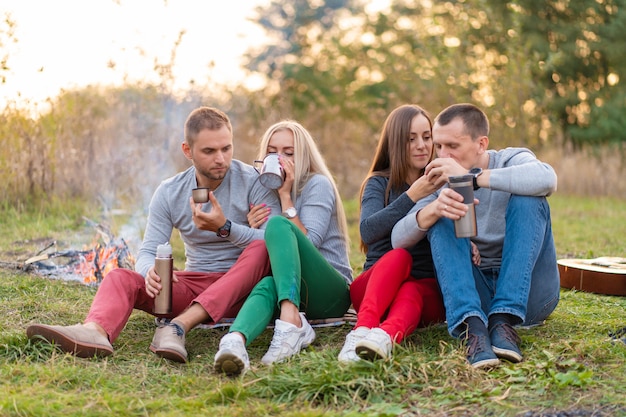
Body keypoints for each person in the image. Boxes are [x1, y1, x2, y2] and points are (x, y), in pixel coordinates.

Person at [26, 106, 282, 363]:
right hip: (194, 285)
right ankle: (95, 332)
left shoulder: (255, 181)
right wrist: (150, 271)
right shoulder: (170, 191)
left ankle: (178, 326)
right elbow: (148, 250)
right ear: (187, 151)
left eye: (226, 148)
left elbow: (277, 243)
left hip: (244, 290)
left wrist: (225, 227)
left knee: (260, 249)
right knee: (120, 277)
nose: (221, 159)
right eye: (209, 151)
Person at [391, 103, 560, 368]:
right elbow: (397, 240)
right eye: (439, 146)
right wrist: (434, 208)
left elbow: (547, 180)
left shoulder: (511, 159)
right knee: (440, 213)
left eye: (453, 147)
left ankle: (505, 320)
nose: (443, 156)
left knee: (531, 199)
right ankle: (474, 330)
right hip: (477, 297)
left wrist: (473, 178)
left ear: (481, 144)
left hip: (531, 297)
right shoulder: (439, 181)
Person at [213, 120, 352, 376]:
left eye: (289, 152)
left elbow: (307, 244)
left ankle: (290, 322)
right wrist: (252, 226)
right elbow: (271, 249)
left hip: (330, 291)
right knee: (266, 285)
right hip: (293, 290)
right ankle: (235, 341)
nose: (280, 158)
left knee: (278, 225)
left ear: (303, 157)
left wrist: (286, 198)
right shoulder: (266, 189)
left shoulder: (317, 184)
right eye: (272, 152)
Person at [336, 104, 446, 363]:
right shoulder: (379, 183)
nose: (421, 145)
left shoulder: (444, 181)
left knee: (412, 289)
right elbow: (368, 230)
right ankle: (361, 330)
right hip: (375, 290)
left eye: (427, 137)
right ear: (396, 143)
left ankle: (383, 340)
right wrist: (412, 196)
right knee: (399, 257)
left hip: (422, 293)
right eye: (411, 139)